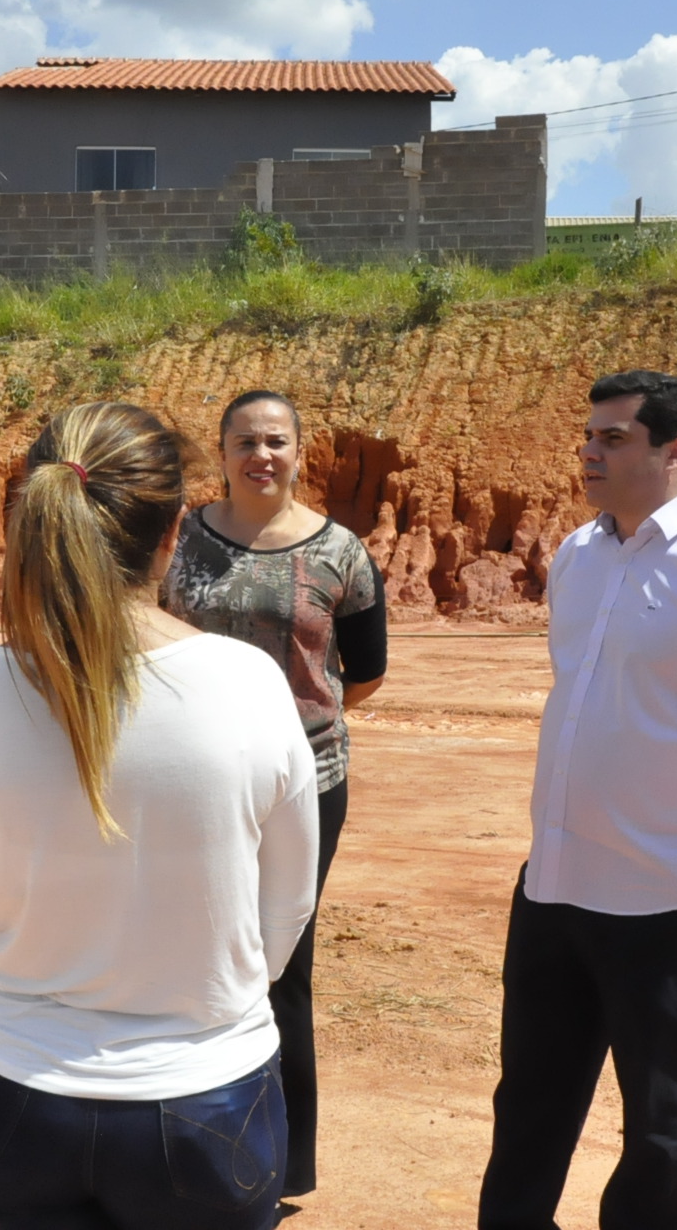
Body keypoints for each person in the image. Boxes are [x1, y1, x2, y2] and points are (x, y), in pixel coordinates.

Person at [0, 401, 319, 1230]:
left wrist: (23, 1016)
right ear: (171, 537)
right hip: (206, 1105)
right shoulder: (248, 686)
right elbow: (285, 913)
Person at [478, 370, 677, 1230]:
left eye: (612, 437)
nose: (589, 450)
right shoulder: (579, 557)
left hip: (668, 896)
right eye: (589, 435)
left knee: (658, 1128)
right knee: (529, 1109)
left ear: (675, 451)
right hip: (553, 882)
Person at [159, 388, 387, 1206]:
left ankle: (284, 1164)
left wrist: (281, 733)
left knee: (279, 962)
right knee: (184, 948)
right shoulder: (176, 537)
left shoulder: (342, 553)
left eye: (277, 441)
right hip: (183, 777)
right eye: (246, 440)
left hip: (304, 785)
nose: (262, 454)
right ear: (220, 453)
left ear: (300, 452)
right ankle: (180, 1139)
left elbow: (363, 674)